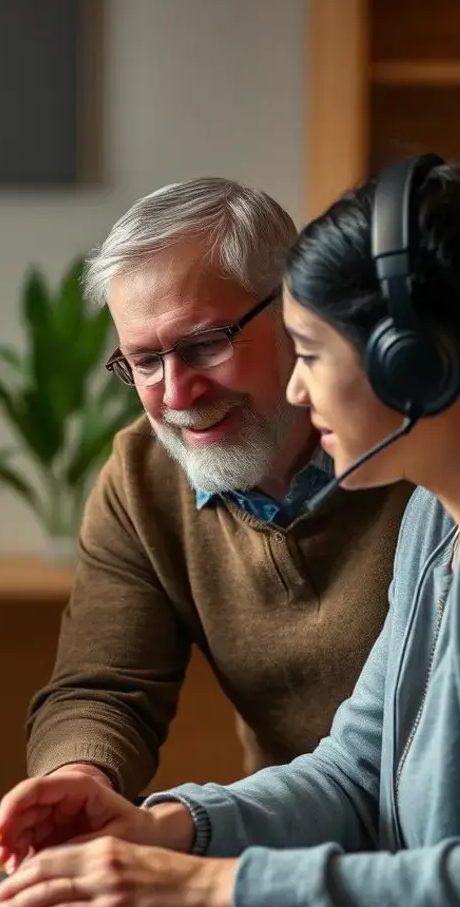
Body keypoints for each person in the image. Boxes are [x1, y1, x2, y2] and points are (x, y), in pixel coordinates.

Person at [0, 157, 460, 907]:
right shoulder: (441, 507)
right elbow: (359, 770)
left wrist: (211, 892)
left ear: (413, 365)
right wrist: (166, 828)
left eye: (312, 351)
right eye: (143, 361)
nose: (296, 383)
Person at [26, 178, 413, 797]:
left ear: (296, 307)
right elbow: (103, 687)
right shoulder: (141, 477)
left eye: (204, 345)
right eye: (145, 362)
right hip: (292, 829)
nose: (176, 397)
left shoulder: (423, 451)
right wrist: (80, 779)